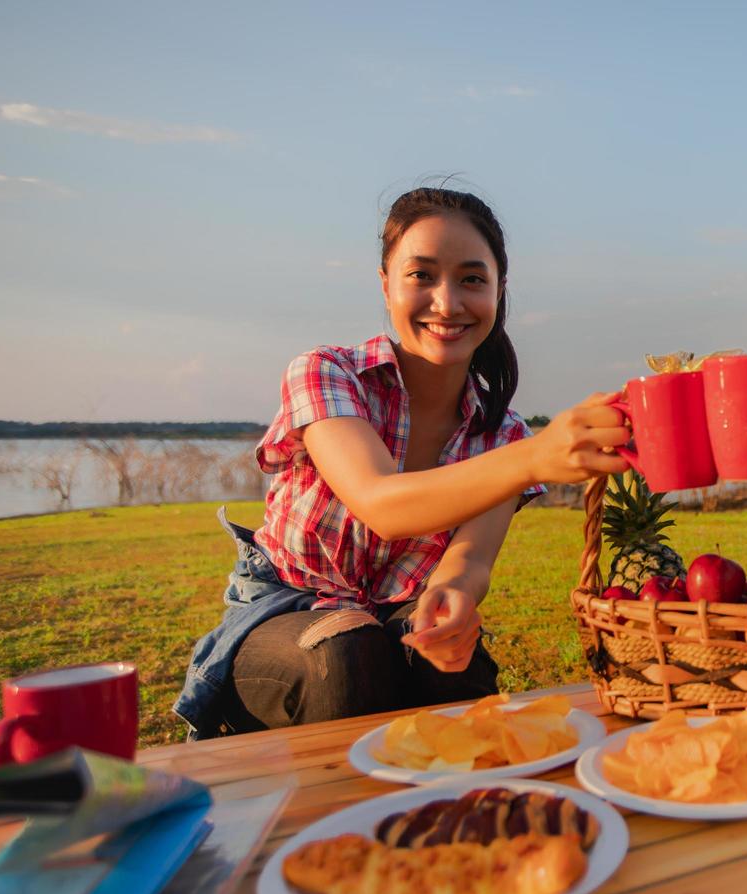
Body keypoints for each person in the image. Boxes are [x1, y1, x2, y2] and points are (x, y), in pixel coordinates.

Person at [175, 187, 631, 739]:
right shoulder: (328, 373)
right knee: (347, 651)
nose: (447, 303)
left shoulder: (504, 435)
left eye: (471, 279)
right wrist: (536, 457)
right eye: (421, 276)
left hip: (393, 618)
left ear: (499, 291)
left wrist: (453, 599)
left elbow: (470, 561)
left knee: (450, 671)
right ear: (385, 284)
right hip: (284, 608)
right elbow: (378, 502)